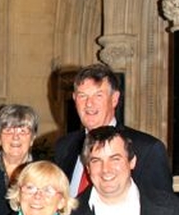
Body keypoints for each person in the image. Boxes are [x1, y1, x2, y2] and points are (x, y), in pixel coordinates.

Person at [54, 63, 171, 196]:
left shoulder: (147, 150)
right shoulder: (64, 147)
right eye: (82, 96)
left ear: (114, 99)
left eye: (98, 95)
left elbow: (164, 210)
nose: (89, 104)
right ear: (74, 99)